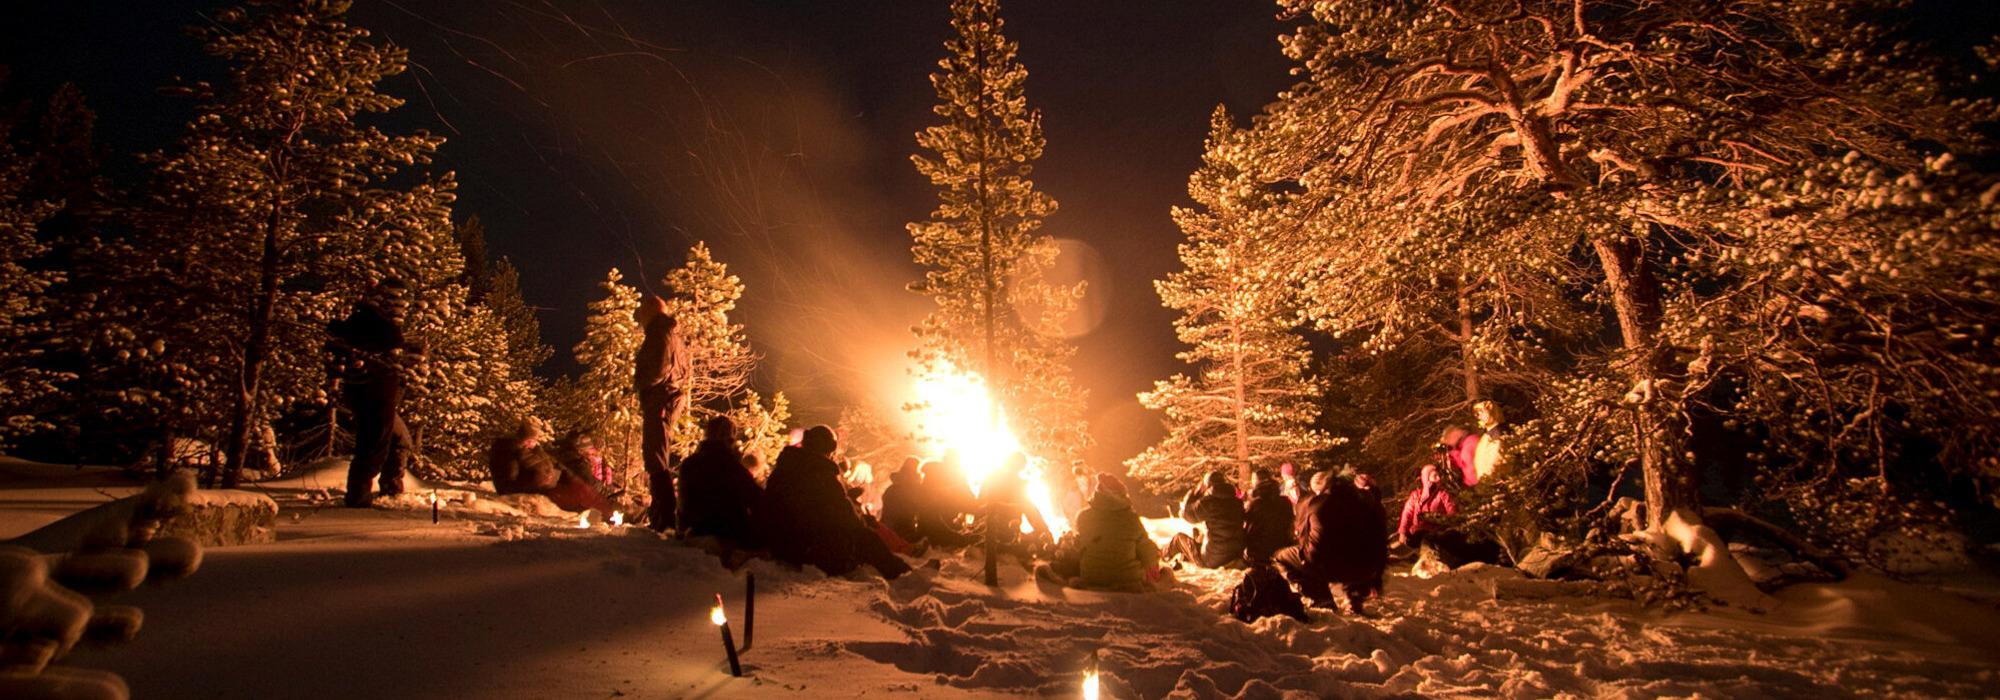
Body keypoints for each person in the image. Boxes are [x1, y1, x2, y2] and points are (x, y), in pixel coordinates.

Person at [754, 426, 912, 580]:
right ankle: (902, 573)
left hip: (782, 544)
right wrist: (862, 520)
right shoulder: (821, 474)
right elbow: (845, 515)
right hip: (807, 549)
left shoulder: (783, 469)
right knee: (866, 537)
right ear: (829, 448)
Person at [326, 280, 419, 507]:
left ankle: (390, 489)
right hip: (376, 396)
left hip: (374, 394)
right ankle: (359, 497)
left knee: (398, 440)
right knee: (373, 445)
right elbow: (392, 341)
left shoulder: (363, 325)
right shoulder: (374, 327)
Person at [1275, 474, 1389, 614]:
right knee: (1350, 552)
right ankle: (1354, 596)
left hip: (1327, 565)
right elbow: (1379, 541)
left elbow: (1304, 539)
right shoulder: (1363, 504)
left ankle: (1320, 596)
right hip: (1366, 569)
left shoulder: (1316, 504)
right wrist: (1376, 575)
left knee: (1281, 557)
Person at [634, 295, 692, 533]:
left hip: (661, 398)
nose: (639, 319)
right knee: (657, 452)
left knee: (655, 454)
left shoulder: (659, 333)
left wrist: (642, 382)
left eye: (641, 313)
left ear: (651, 312)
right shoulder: (672, 335)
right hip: (668, 398)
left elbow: (658, 367)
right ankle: (663, 513)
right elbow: (683, 369)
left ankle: (665, 515)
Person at [488, 417, 617, 516]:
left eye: (534, 440)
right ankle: (609, 512)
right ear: (522, 439)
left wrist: (572, 477)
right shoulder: (510, 454)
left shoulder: (536, 450)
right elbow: (507, 485)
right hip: (542, 491)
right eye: (530, 440)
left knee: (582, 488)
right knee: (579, 496)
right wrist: (537, 481)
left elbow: (557, 465)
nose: (533, 443)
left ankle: (614, 510)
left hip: (554, 484)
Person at [677, 416, 763, 549]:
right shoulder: (732, 467)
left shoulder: (689, 464)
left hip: (695, 530)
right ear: (730, 440)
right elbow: (756, 499)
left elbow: (683, 504)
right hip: (726, 533)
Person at [1073, 473, 1165, 592]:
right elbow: (1147, 551)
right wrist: (1154, 559)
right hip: (1126, 578)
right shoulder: (1131, 519)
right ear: (1122, 495)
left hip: (1091, 577)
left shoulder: (1083, 516)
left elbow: (1080, 545)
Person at [1166, 471, 1247, 569]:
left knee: (1178, 539)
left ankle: (1162, 557)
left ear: (1207, 485)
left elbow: (1186, 514)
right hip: (1233, 555)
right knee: (1199, 535)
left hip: (1212, 560)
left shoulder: (1208, 502)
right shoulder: (1237, 502)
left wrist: (1196, 492)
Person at [1395, 464, 1458, 547]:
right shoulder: (1416, 495)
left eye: (1438, 475)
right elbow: (1407, 513)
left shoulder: (1442, 494)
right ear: (1426, 477)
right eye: (1435, 476)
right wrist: (1402, 532)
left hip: (1436, 534)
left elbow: (1451, 510)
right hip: (1416, 534)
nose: (1438, 478)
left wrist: (1448, 527)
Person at [1242, 470, 1294, 564]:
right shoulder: (1285, 502)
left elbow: (1245, 520)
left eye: (1254, 478)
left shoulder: (1256, 503)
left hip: (1258, 549)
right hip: (1282, 545)